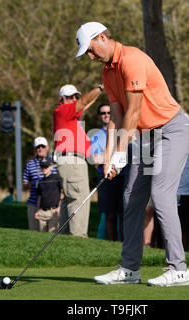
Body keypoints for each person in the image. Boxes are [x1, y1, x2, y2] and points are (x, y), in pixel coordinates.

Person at [76, 21, 189, 286]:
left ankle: (179, 270)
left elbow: (135, 111)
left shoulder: (132, 58)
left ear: (102, 37)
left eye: (91, 50)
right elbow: (116, 117)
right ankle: (130, 269)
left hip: (172, 130)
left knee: (161, 195)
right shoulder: (108, 72)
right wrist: (109, 157)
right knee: (130, 198)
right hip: (146, 136)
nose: (91, 57)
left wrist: (120, 153)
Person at [53, 83, 104, 238]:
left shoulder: (72, 117)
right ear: (62, 99)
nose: (74, 99)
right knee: (79, 199)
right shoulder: (62, 110)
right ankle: (78, 237)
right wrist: (100, 89)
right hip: (72, 162)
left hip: (72, 162)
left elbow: (87, 103)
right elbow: (83, 102)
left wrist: (99, 92)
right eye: (70, 97)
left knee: (70, 200)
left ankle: (65, 238)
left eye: (75, 96)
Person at [90, 104, 124, 241]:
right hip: (105, 177)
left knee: (123, 213)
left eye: (109, 112)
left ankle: (124, 243)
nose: (106, 115)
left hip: (123, 176)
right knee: (109, 214)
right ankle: (112, 243)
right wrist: (114, 154)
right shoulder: (96, 136)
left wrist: (107, 155)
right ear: (99, 116)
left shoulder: (123, 132)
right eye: (103, 113)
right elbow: (95, 159)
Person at [23, 137, 57, 231]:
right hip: (34, 203)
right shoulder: (30, 164)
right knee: (35, 233)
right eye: (38, 147)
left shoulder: (53, 162)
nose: (40, 149)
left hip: (51, 205)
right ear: (35, 148)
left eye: (42, 146)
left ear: (47, 147)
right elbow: (25, 183)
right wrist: (34, 185)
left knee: (52, 233)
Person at [35, 157, 64, 233]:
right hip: (42, 212)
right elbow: (39, 197)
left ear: (51, 166)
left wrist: (59, 207)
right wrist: (38, 210)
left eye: (46, 166)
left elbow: (62, 193)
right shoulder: (40, 182)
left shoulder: (57, 178)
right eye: (42, 166)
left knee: (52, 234)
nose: (44, 168)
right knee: (42, 235)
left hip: (53, 211)